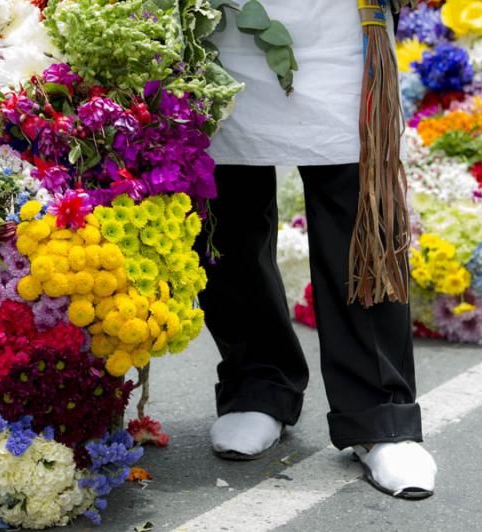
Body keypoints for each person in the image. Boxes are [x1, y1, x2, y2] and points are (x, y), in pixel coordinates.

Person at [197, 0, 438, 499]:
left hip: (342, 23)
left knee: (358, 209)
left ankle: (379, 414)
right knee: (227, 211)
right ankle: (257, 383)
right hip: (220, 24)